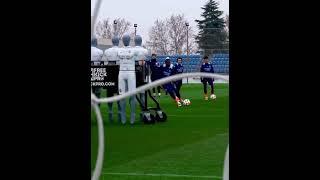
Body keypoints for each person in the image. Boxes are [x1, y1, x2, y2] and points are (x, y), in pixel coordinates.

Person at [117, 35, 136, 124]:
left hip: (131, 72)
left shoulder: (133, 49)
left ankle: (133, 115)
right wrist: (126, 55)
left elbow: (130, 55)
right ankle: (123, 116)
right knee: (122, 95)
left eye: (126, 39)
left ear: (129, 40)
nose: (125, 40)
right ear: (122, 40)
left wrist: (125, 55)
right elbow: (121, 55)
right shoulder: (119, 49)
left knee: (132, 95)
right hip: (121, 72)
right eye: (124, 39)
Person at [103, 36, 122, 123]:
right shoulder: (121, 51)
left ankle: (111, 111)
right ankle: (118, 112)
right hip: (118, 73)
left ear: (112, 42)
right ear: (118, 42)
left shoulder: (107, 51)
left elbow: (104, 63)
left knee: (110, 92)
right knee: (119, 92)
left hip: (110, 73)